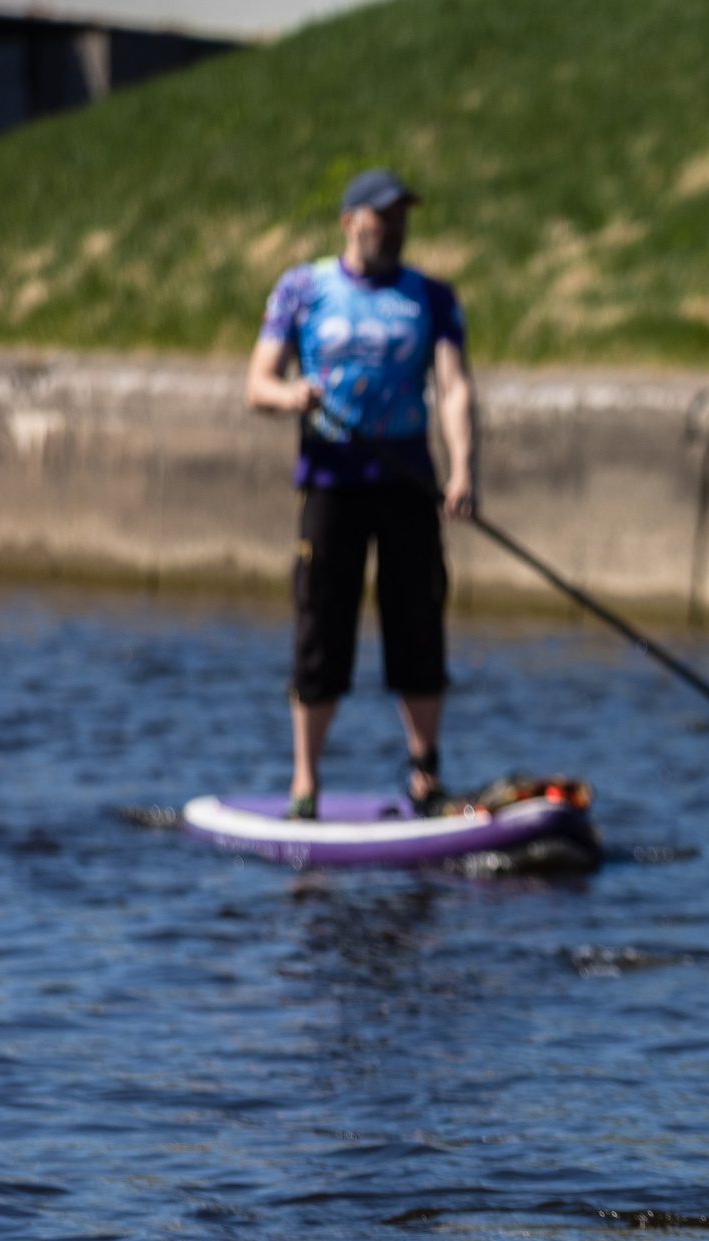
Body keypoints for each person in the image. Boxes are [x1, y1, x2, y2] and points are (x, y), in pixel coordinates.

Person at [246, 167, 477, 819]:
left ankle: (426, 776)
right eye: (383, 217)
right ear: (350, 222)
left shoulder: (431, 295)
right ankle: (304, 785)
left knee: (418, 622)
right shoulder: (301, 288)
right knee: (321, 626)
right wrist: (290, 394)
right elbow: (257, 380)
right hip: (330, 483)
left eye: (403, 217)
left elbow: (454, 387)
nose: (395, 229)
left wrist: (463, 470)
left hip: (407, 484)